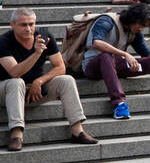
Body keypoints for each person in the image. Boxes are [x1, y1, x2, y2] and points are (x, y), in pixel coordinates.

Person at [1, 8, 97, 150]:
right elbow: (15, 72)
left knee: (67, 80)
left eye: (31, 24)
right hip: (7, 91)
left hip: (36, 90)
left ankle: (77, 131)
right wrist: (37, 53)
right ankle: (16, 134)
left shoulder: (44, 37)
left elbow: (60, 67)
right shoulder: (3, 41)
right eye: (23, 25)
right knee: (17, 82)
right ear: (12, 24)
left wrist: (39, 81)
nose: (28, 29)